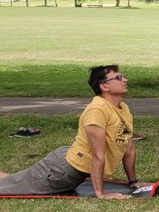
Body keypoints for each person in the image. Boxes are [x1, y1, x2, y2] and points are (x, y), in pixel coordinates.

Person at [0, 65, 141, 198]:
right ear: (104, 86)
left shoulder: (123, 108)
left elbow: (128, 150)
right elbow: (97, 155)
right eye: (118, 78)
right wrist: (101, 194)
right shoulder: (97, 111)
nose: (125, 80)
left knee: (16, 180)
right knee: (7, 187)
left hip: (68, 164)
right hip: (60, 171)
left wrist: (133, 182)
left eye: (123, 76)